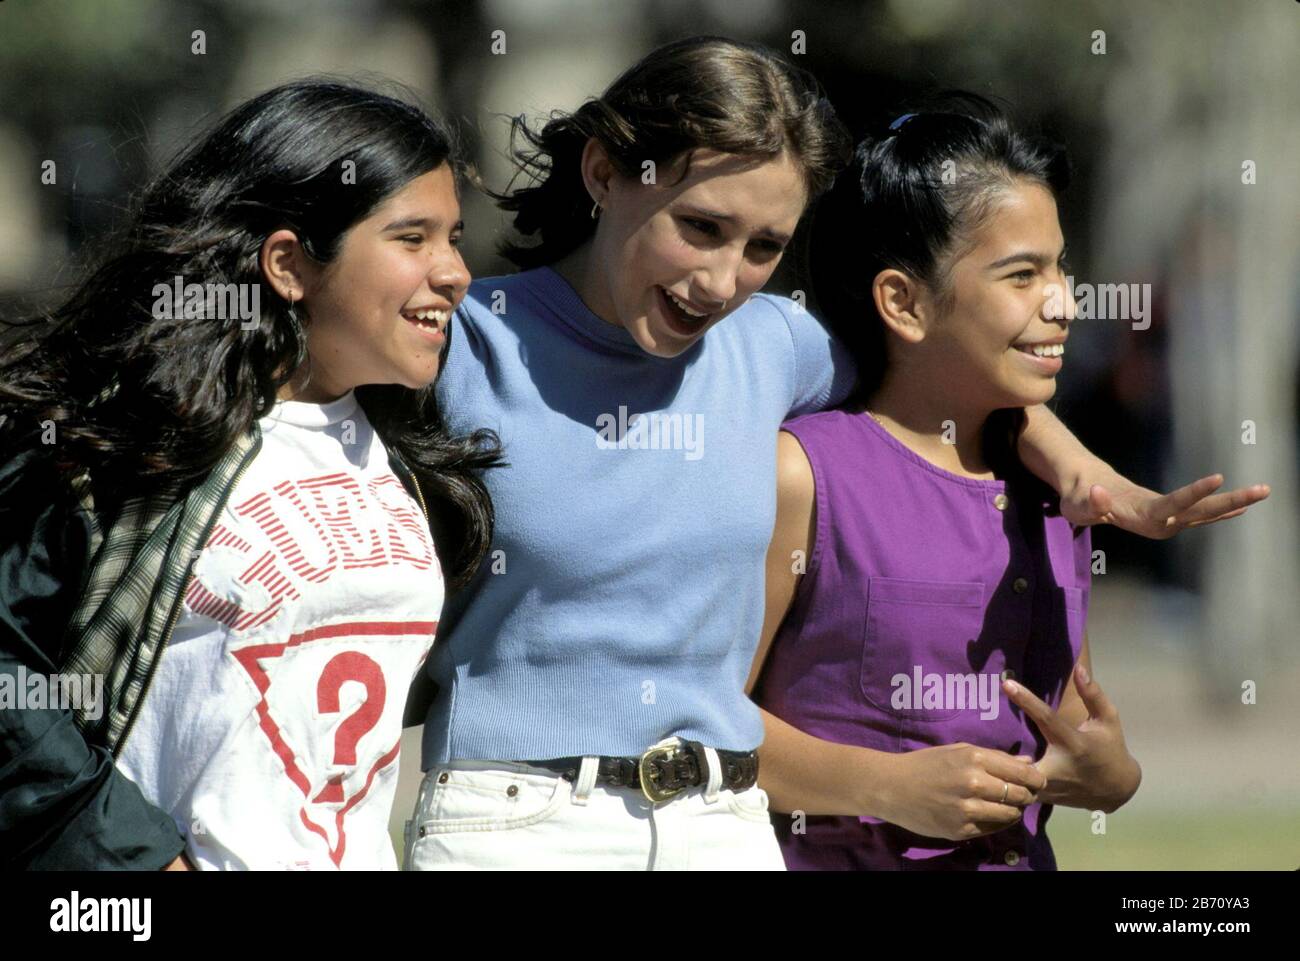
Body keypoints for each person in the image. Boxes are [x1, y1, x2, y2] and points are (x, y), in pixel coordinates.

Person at [404, 39, 1260, 870]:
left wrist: (1090, 473)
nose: (722, 280)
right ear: (603, 173)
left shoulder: (772, 343)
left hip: (722, 824)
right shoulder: (461, 341)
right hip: (509, 822)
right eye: (701, 226)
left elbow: (951, 365)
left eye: (765, 247)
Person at [748, 95, 1267, 869]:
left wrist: (1109, 774)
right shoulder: (803, 474)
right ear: (903, 302)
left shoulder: (1061, 490)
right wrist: (885, 784)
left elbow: (1071, 731)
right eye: (1021, 275)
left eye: (1060, 267)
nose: (1061, 303)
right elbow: (698, 728)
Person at [0, 79, 500, 870]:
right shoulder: (129, 446)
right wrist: (138, 860)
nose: (456, 273)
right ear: (289, 264)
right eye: (413, 239)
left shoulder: (418, 465)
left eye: (455, 237)